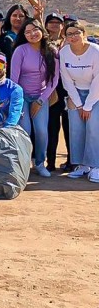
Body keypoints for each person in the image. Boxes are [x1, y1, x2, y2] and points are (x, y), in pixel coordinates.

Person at [10, 18, 60, 178]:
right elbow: (14, 79)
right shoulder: (20, 51)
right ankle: (24, 164)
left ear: (42, 30)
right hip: (22, 96)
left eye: (35, 30)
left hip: (41, 96)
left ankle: (39, 163)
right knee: (25, 130)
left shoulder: (52, 51)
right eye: (27, 32)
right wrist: (18, 101)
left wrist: (40, 101)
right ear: (23, 35)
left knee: (41, 131)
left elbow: (54, 80)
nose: (32, 34)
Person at [60, 23, 99, 182]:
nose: (73, 36)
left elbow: (98, 79)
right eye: (69, 34)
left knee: (93, 129)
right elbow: (66, 79)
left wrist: (88, 105)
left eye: (77, 33)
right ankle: (82, 165)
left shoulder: (95, 51)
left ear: (84, 34)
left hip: (95, 94)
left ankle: (96, 166)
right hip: (75, 94)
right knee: (76, 130)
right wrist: (78, 103)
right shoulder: (64, 52)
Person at [45, 12, 71, 172]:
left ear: (62, 26)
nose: (54, 24)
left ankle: (72, 161)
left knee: (70, 128)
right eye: (51, 22)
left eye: (58, 22)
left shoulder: (68, 42)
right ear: (46, 25)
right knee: (52, 128)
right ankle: (51, 162)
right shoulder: (43, 42)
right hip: (51, 90)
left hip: (68, 91)